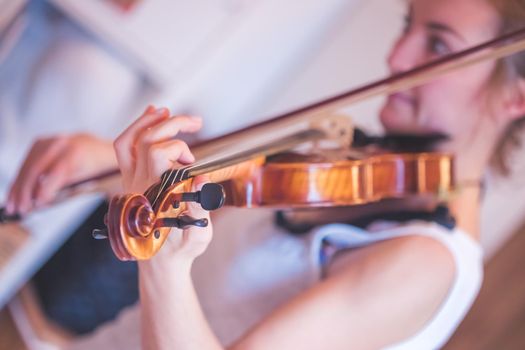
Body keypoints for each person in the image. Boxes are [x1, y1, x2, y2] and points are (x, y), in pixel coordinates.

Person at [102, 0, 525, 349]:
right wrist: (101, 160)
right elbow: (206, 194)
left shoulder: (427, 264)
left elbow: (175, 241)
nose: (396, 57)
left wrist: (157, 255)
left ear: (515, 97)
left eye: (438, 44)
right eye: (405, 27)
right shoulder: (347, 165)